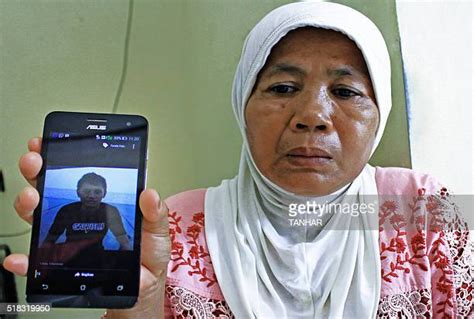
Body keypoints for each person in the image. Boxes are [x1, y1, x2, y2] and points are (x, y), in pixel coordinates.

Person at [4, 2, 473, 318]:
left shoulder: (426, 207)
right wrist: (139, 304)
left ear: (381, 113)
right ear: (241, 106)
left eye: (347, 91)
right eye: (282, 88)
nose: (312, 117)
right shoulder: (177, 226)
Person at [40, 172, 132, 265]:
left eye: (97, 192)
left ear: (104, 194)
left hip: (98, 258)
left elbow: (124, 242)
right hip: (69, 258)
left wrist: (121, 265)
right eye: (87, 191)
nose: (91, 196)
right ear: (78, 193)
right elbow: (49, 241)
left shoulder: (110, 211)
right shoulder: (67, 211)